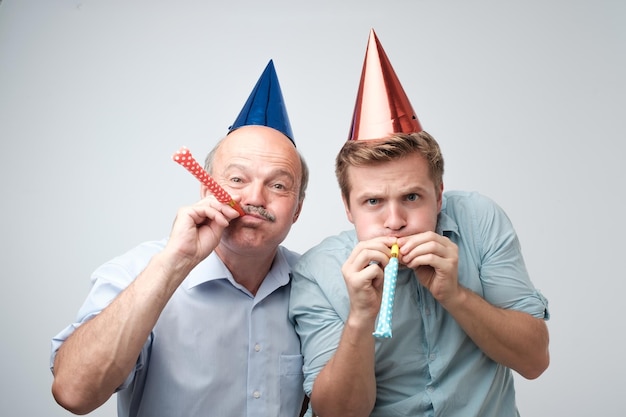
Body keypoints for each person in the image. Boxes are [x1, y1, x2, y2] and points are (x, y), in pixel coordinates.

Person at [289, 30, 550, 417]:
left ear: (439, 194)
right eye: (373, 201)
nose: (395, 222)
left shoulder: (478, 220)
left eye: (412, 197)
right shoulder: (316, 272)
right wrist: (361, 317)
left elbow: (534, 361)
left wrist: (456, 296)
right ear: (347, 206)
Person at [50, 60, 310, 417]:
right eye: (236, 180)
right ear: (206, 189)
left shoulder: (316, 286)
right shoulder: (140, 271)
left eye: (278, 185)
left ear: (297, 208)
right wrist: (175, 264)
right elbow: (74, 393)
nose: (254, 198)